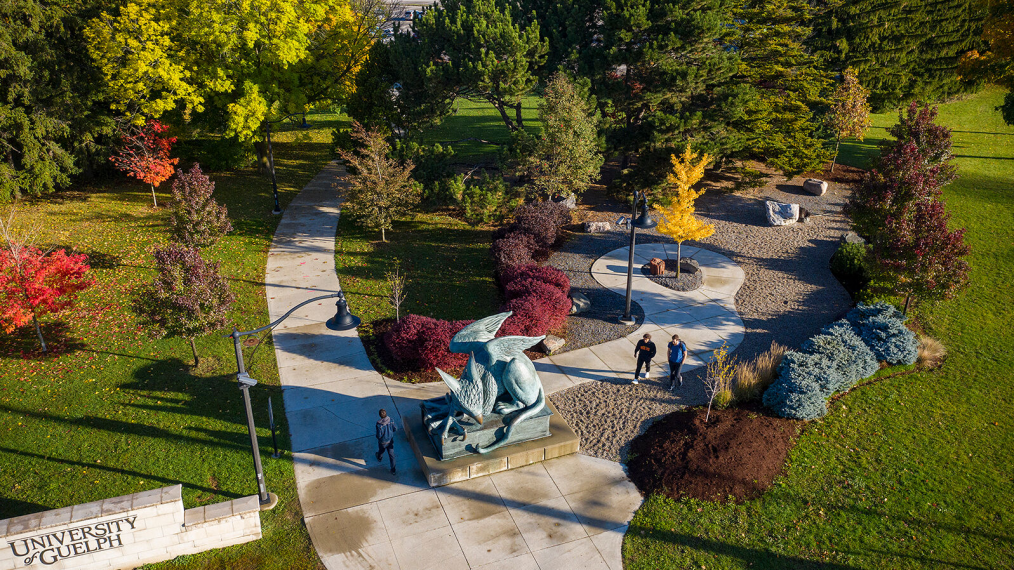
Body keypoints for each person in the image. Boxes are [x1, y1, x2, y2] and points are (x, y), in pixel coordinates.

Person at [375, 409, 398, 475]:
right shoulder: (391, 420)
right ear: (386, 413)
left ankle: (379, 458)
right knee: (392, 456)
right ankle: (393, 470)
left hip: (383, 442)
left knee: (381, 450)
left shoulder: (379, 424)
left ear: (380, 415)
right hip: (390, 441)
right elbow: (395, 428)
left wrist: (377, 437)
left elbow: (379, 435)